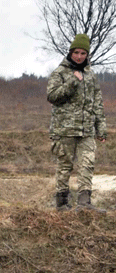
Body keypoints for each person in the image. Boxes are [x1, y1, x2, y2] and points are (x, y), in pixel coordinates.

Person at [47, 33, 108, 212]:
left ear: (87, 55)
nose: (80, 56)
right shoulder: (60, 72)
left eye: (83, 53)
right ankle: (62, 204)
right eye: (76, 53)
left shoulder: (91, 75)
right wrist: (73, 81)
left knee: (87, 164)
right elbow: (52, 96)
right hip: (64, 129)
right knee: (65, 166)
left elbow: (97, 102)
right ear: (71, 52)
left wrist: (101, 129)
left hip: (86, 130)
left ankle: (84, 203)